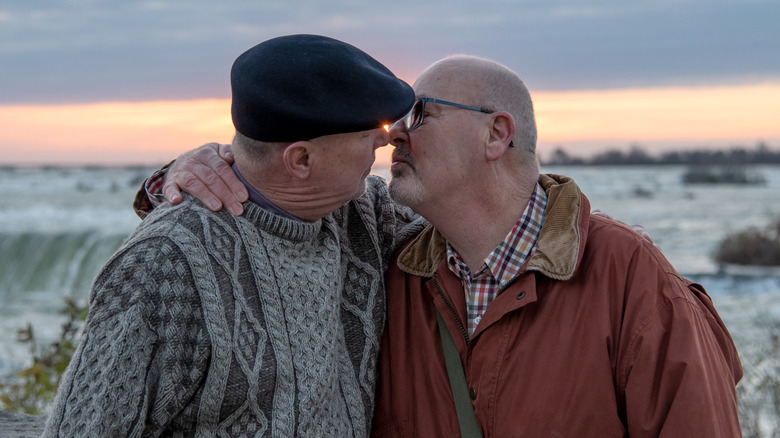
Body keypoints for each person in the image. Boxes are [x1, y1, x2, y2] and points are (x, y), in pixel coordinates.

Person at [141, 57, 743, 436]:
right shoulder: (383, 256)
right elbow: (277, 191)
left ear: (496, 133)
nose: (394, 133)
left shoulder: (631, 280)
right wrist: (185, 171)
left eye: (421, 113)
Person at [43, 34, 425, 437]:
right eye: (371, 131)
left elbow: (463, 223)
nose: (387, 139)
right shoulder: (161, 265)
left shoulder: (362, 212)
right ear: (301, 159)